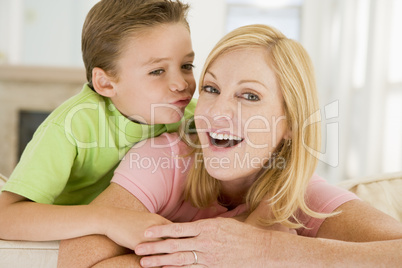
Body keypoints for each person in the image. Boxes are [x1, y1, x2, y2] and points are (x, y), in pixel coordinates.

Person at [58, 24, 402, 267]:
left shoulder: (304, 198)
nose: (218, 111)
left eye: (249, 96)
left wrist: (270, 251)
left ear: (292, 125)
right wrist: (204, 256)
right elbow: (76, 261)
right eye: (211, 88)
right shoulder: (165, 159)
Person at [0, 0, 196, 248]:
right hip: (66, 240)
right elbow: (5, 216)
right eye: (157, 71)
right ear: (106, 83)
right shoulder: (72, 126)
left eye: (186, 66)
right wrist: (109, 218)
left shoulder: (192, 114)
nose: (181, 83)